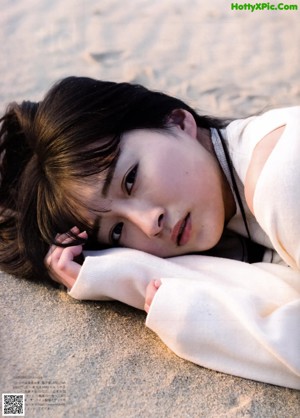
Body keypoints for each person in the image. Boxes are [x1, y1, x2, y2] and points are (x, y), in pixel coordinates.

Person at [0, 76, 299, 389]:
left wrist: (142, 285)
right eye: (117, 232)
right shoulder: (241, 196)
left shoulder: (281, 179)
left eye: (130, 180)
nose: (147, 224)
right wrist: (120, 271)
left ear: (178, 121)